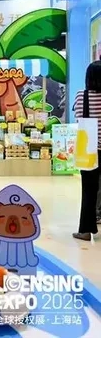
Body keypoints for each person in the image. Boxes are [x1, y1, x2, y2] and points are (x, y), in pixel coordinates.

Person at [73, 61, 101, 241]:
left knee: (89, 191)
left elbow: (79, 118)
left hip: (90, 149)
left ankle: (85, 230)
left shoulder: (81, 96)